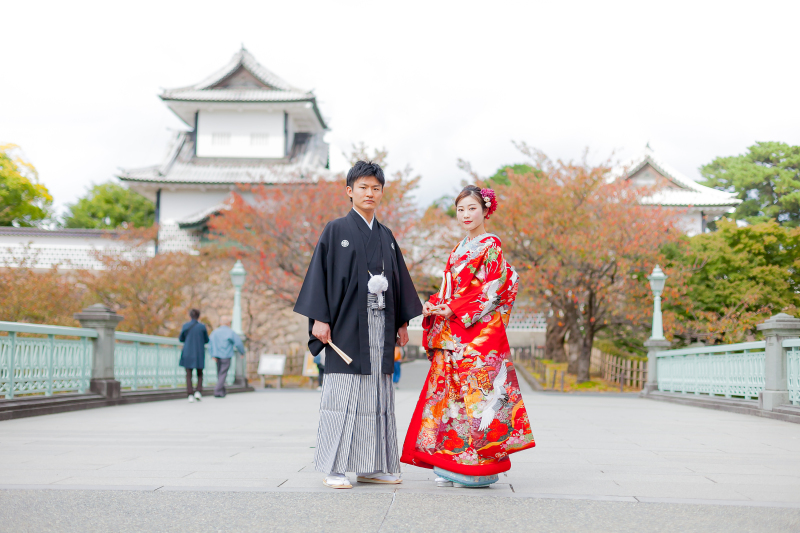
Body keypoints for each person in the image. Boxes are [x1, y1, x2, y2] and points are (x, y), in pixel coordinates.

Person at [294, 160, 422, 490]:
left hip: (380, 325)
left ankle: (373, 466)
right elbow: (319, 275)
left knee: (378, 397)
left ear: (381, 193)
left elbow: (398, 281)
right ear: (350, 191)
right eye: (363, 187)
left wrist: (402, 322)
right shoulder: (336, 230)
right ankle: (333, 466)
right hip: (347, 326)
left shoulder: (386, 236)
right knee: (343, 395)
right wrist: (320, 318)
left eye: (376, 188)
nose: (370, 193)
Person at [400, 185, 535, 488]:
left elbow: (495, 289)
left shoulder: (491, 245)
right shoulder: (459, 247)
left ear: (486, 210)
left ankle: (480, 468)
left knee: (477, 402)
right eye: (460, 209)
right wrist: (436, 304)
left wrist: (454, 308)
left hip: (476, 337)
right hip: (454, 333)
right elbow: (451, 289)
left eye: (472, 208)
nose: (465, 215)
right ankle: (450, 460)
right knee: (450, 399)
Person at [208, 318, 245, 398]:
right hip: (226, 355)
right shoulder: (230, 332)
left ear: (221, 323)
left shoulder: (215, 332)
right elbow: (238, 343)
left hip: (217, 355)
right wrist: (242, 352)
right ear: (228, 323)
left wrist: (212, 355)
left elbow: (210, 344)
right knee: (223, 373)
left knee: (220, 373)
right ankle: (218, 390)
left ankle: (222, 391)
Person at [179, 308, 210, 403]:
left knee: (188, 375)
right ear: (199, 316)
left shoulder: (185, 326)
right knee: (199, 373)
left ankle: (190, 394)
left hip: (188, 352)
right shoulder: (202, 327)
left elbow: (181, 339)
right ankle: (198, 392)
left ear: (190, 316)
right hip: (199, 352)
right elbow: (206, 340)